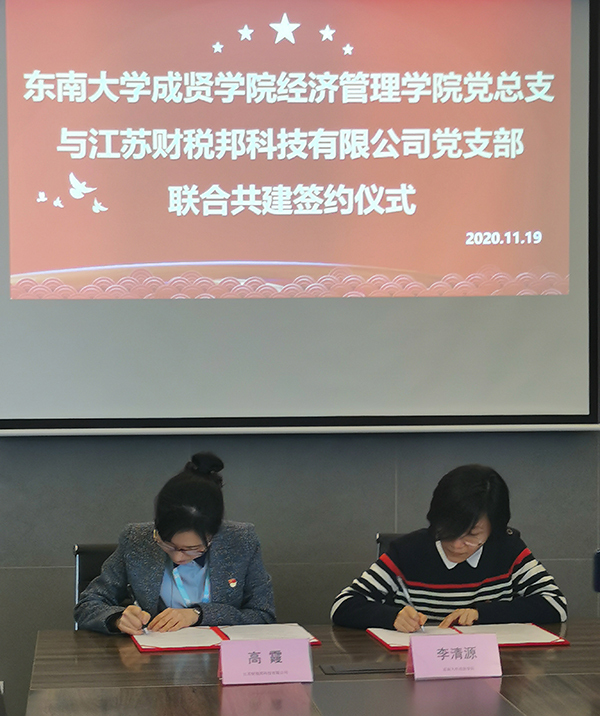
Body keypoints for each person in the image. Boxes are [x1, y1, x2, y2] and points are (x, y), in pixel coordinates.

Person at [331, 464, 567, 632]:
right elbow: (344, 604)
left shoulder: (508, 549)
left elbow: (555, 603)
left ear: (494, 529)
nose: (456, 544)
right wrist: (392, 616)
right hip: (417, 667)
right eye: (449, 530)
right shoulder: (408, 551)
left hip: (490, 668)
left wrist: (483, 614)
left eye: (472, 535)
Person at [75, 452, 276, 634]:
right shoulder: (136, 539)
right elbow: (87, 604)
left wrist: (198, 615)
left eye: (192, 549)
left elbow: (263, 615)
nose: (178, 557)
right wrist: (117, 618)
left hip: (221, 658)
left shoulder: (241, 541)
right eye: (167, 544)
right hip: (153, 656)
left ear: (213, 535)